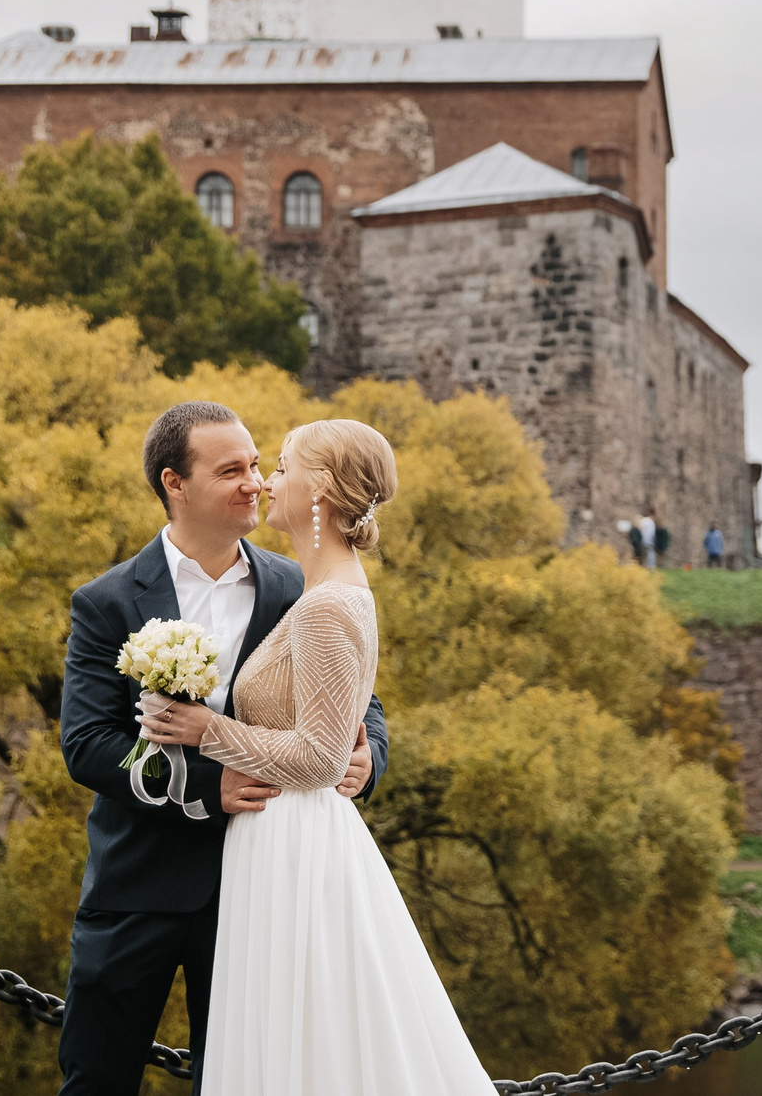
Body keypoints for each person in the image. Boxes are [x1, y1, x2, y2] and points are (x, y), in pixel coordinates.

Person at [146, 419, 498, 1095]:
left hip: (295, 844)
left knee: (306, 1036)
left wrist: (203, 729)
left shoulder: (324, 607)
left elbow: (316, 756)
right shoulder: (328, 591)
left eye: (281, 466)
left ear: (323, 489)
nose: (268, 481)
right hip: (286, 840)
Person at [56, 402, 389, 1095]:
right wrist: (202, 787)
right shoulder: (106, 600)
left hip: (263, 888)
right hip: (136, 883)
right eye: (232, 469)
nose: (256, 482)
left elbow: (362, 701)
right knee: (97, 1081)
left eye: (259, 463)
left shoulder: (297, 584)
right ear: (175, 482)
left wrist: (369, 756)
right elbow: (89, 744)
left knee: (245, 1079)